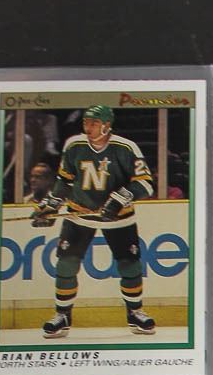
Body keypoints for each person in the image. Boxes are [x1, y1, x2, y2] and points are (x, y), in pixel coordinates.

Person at [30, 104, 156, 339]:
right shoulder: (74, 145)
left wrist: (119, 199)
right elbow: (65, 181)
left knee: (130, 265)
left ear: (107, 125)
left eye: (94, 123)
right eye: (86, 122)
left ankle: (135, 312)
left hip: (119, 217)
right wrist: (51, 205)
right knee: (66, 265)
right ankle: (62, 315)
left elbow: (145, 183)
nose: (88, 127)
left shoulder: (126, 147)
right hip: (80, 214)